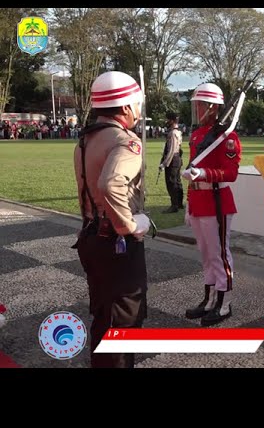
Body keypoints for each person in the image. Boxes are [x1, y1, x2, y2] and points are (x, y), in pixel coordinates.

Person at [72, 70, 151, 368]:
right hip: (116, 242)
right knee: (123, 326)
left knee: (104, 320)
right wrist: (129, 225)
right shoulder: (125, 140)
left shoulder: (85, 140)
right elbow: (111, 184)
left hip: (91, 237)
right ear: (127, 106)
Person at [182, 83, 242, 327]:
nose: (196, 109)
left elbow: (231, 173)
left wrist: (204, 174)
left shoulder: (227, 137)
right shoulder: (198, 134)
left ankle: (224, 302)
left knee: (220, 255)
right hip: (199, 200)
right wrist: (189, 202)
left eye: (200, 105)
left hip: (217, 200)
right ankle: (209, 300)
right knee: (206, 255)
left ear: (212, 108)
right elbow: (190, 169)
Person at [159, 111, 184, 213]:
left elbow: (171, 150)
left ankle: (174, 205)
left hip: (173, 159)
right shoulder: (177, 132)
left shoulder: (173, 133)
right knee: (177, 181)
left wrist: (164, 164)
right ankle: (179, 203)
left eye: (168, 119)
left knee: (171, 182)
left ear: (172, 120)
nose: (166, 121)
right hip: (177, 159)